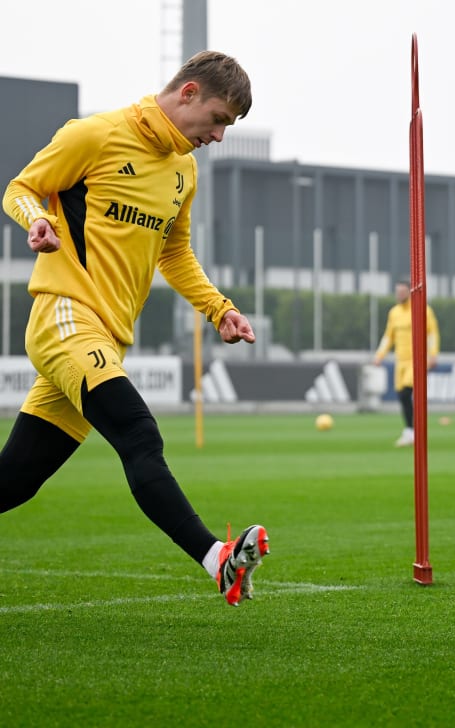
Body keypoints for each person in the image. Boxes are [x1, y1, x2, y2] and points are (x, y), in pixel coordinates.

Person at [0, 51, 269, 605]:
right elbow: (20, 189)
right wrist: (39, 220)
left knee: (15, 481)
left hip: (106, 338)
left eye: (228, 127)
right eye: (218, 119)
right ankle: (217, 559)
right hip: (64, 316)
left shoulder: (183, 170)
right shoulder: (95, 134)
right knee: (140, 435)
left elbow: (175, 254)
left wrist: (220, 309)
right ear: (189, 93)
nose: (218, 136)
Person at [372, 279, 440, 447]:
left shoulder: (423, 310)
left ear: (410, 292)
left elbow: (432, 334)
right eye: (398, 292)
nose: (399, 294)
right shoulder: (394, 313)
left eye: (403, 291)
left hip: (417, 360)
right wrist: (380, 354)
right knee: (402, 397)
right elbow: (388, 336)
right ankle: (410, 431)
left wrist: (433, 355)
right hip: (400, 360)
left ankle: (414, 431)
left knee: (405, 393)